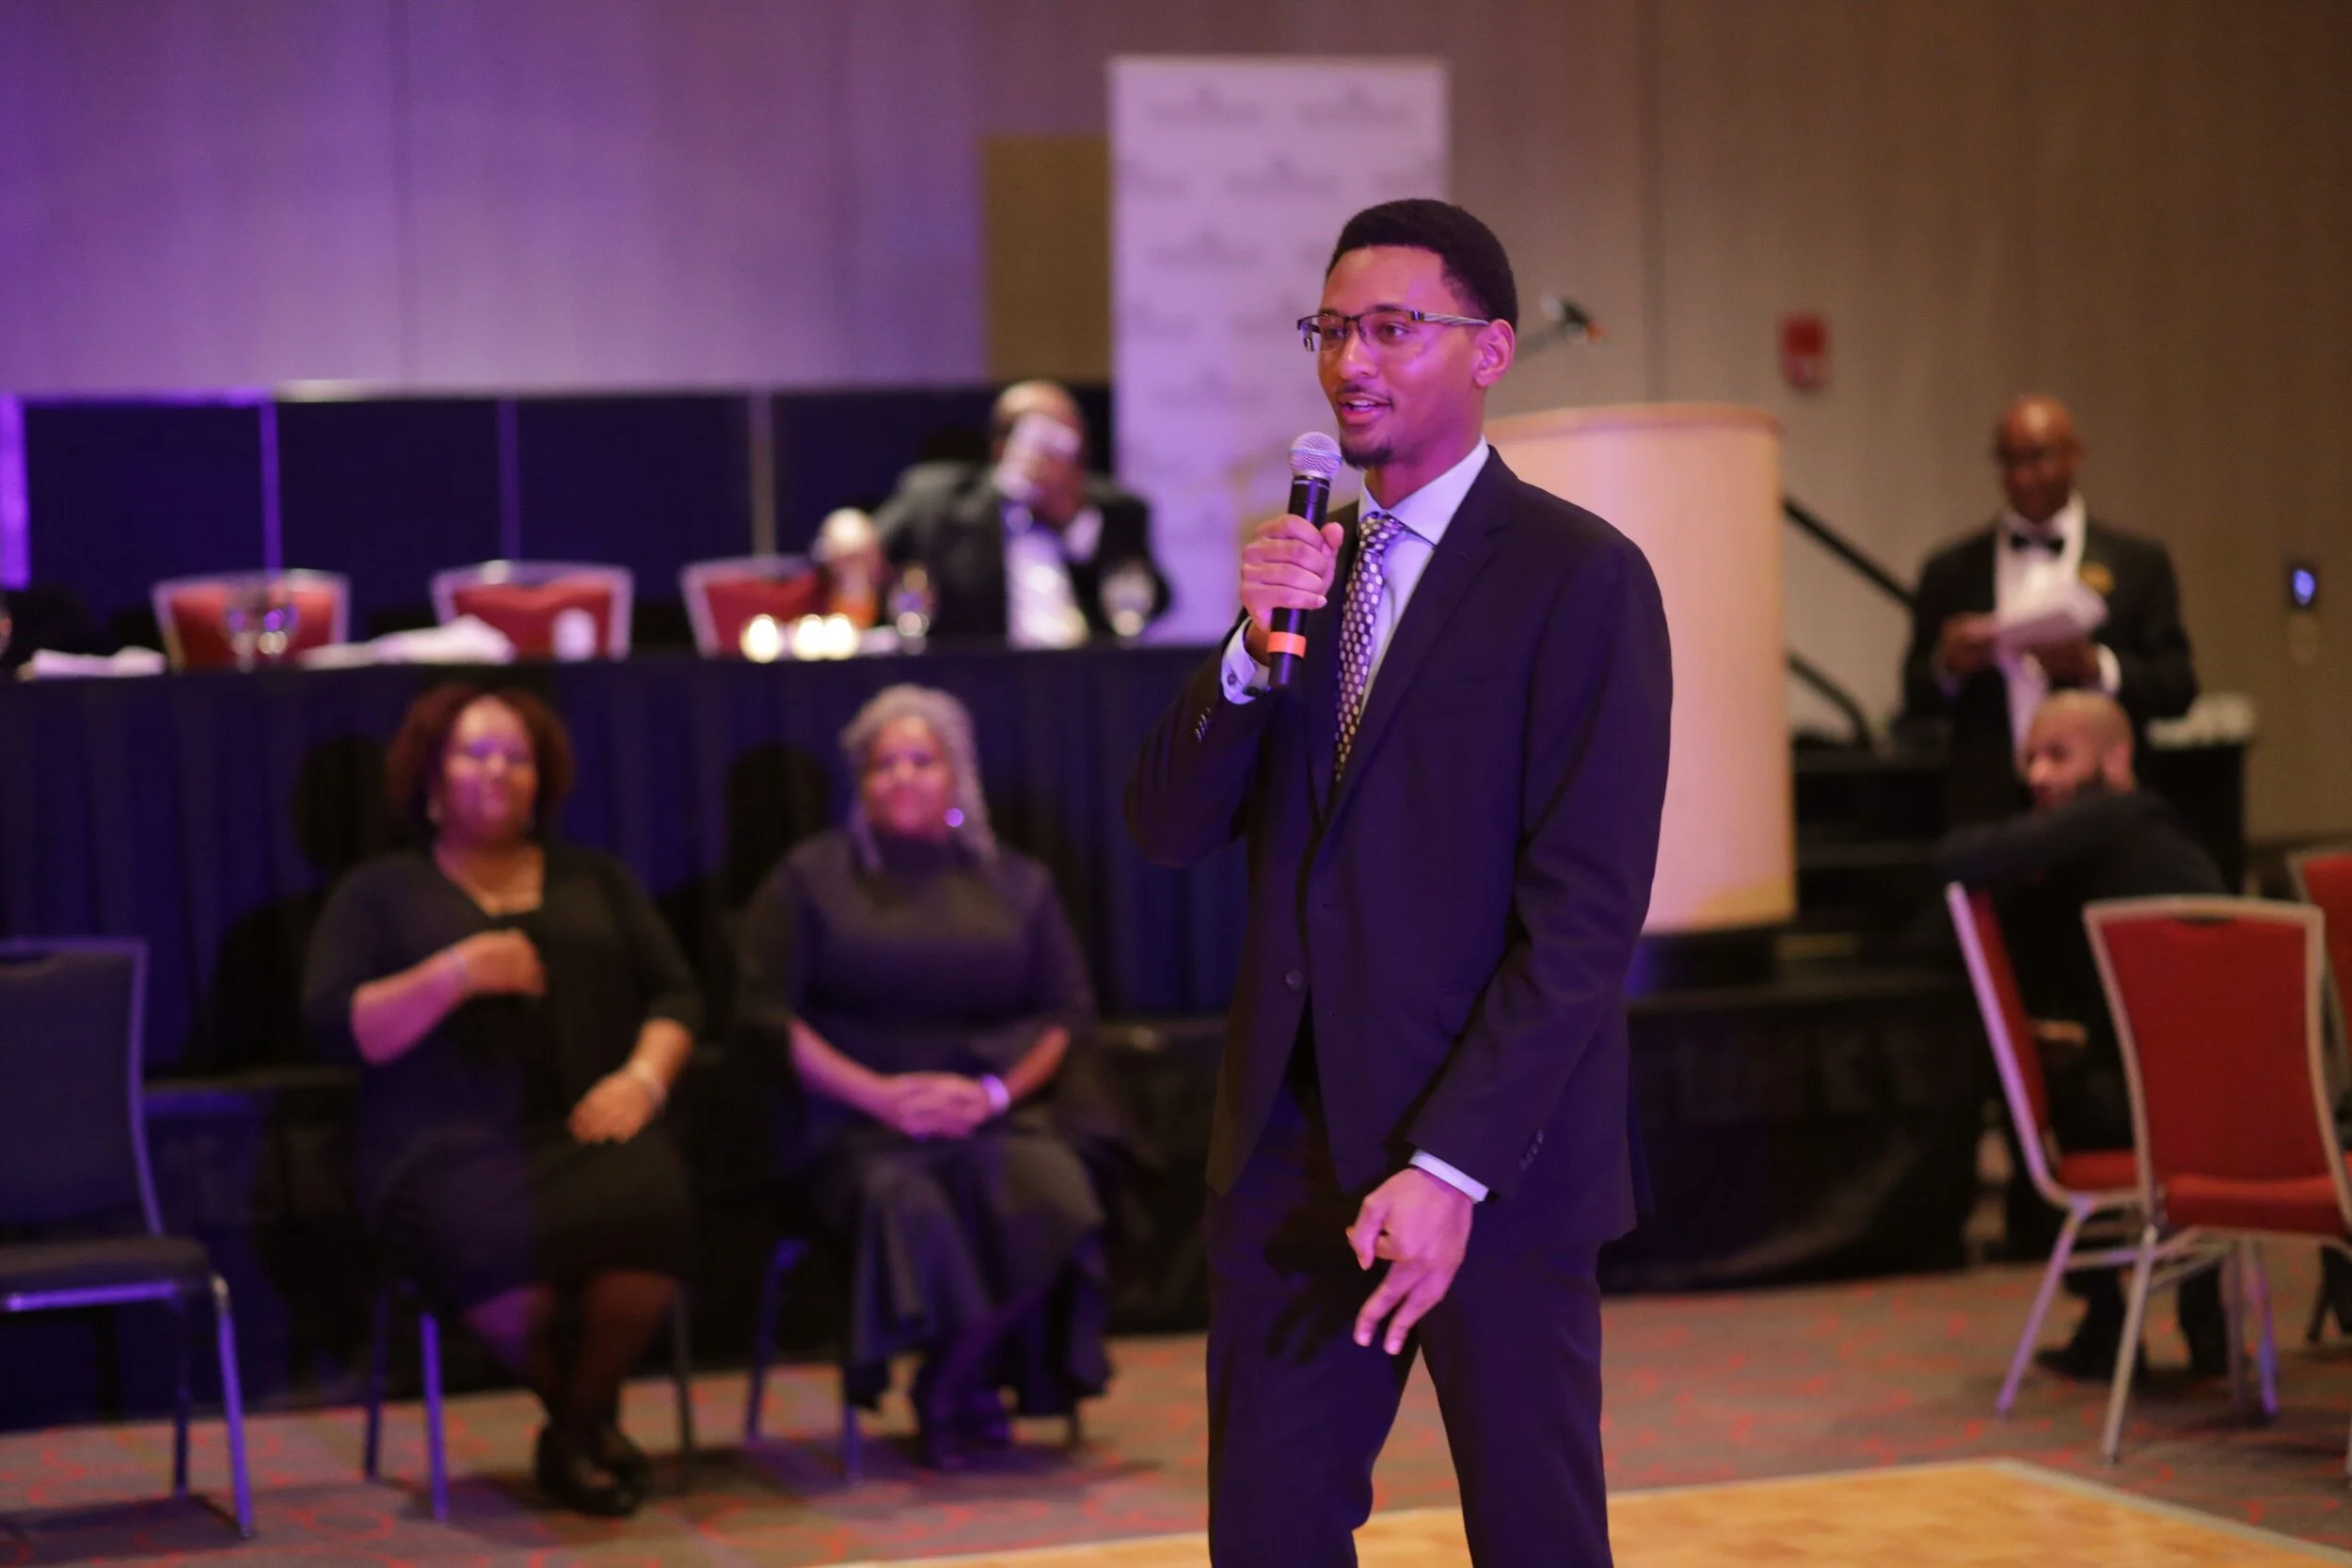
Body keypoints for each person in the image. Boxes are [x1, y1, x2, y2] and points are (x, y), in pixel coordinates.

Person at [1127, 199, 1672, 1566]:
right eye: (1330, 330)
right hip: (1290, 1152)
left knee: (1536, 1538)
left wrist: (1449, 1164)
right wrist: (1251, 655)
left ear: (1490, 351)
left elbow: (1586, 916)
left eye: (1390, 329)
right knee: (1268, 1537)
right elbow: (1168, 823)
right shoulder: (1310, 571)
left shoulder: (1580, 577)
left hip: (1493, 1161)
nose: (1349, 362)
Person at [302, 683, 699, 1518]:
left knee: (654, 1206)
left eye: (517, 756)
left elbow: (678, 997)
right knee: (492, 1243)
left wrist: (642, 1079)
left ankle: (572, 1430)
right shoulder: (378, 894)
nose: (498, 771)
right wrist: (456, 974)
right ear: (432, 778)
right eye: (476, 753)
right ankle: (585, 1429)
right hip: (440, 1146)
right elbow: (343, 1027)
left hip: (587, 1126)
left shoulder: (598, 878)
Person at [734, 684, 1108, 1469]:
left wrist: (993, 1095)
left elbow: (1067, 1012)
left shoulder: (1018, 883)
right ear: (860, 783)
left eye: (921, 759)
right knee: (910, 1201)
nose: (901, 777)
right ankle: (956, 1390)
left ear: (957, 776)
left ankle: (953, 1376)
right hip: (853, 1124)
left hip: (987, 1113)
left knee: (1056, 1192)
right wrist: (877, 1093)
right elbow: (767, 1014)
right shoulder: (811, 878)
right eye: (883, 764)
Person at [1937, 689, 2227, 1378]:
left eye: (2059, 755)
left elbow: (1953, 857)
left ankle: (2109, 1318)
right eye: (2031, 756)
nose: (2037, 775)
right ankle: (2197, 1321)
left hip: (2184, 1114)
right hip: (2223, 1104)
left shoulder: (2114, 818)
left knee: (2040, 1088)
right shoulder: (2145, 837)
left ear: (2118, 759)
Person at [1901, 395, 2196, 825]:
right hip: (1991, 807)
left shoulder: (2138, 564)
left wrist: (2096, 666)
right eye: (2009, 461)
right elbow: (1913, 697)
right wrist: (1949, 667)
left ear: (2075, 455)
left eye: (2037, 458)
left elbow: (2177, 687)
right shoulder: (1952, 571)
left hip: (2104, 808)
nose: (2023, 477)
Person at [874, 380, 1170, 646]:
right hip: (983, 678)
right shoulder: (941, 505)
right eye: (1043, 444)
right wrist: (848, 530)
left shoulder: (1114, 511)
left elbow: (1153, 601)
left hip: (1087, 681)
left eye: (1070, 448)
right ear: (1003, 447)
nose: (1057, 465)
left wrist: (1072, 523)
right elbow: (870, 549)